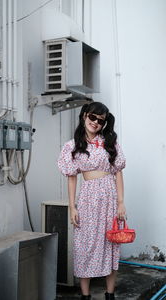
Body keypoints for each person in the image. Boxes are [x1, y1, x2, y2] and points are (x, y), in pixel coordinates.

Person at [57, 102, 126, 300]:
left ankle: (109, 294)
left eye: (100, 120)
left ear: (104, 123)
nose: (95, 122)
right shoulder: (72, 146)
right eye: (92, 117)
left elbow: (118, 173)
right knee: (84, 245)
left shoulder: (109, 143)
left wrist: (121, 202)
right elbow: (71, 177)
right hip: (88, 198)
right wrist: (72, 207)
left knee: (110, 243)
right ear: (85, 115)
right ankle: (85, 296)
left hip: (110, 198)